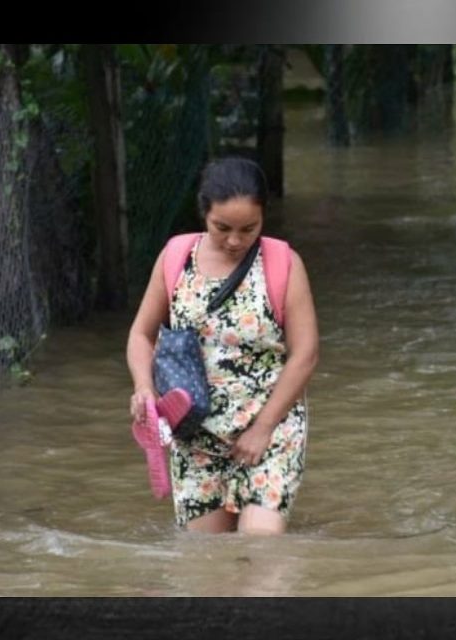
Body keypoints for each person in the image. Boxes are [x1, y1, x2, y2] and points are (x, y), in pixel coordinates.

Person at [127, 157, 319, 535]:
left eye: (249, 228)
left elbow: (306, 354)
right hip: (195, 434)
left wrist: (263, 428)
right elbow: (140, 335)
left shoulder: (284, 264)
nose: (235, 241)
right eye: (222, 228)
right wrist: (143, 389)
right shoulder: (175, 259)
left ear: (264, 216)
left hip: (270, 430)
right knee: (207, 562)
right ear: (204, 214)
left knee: (260, 544)